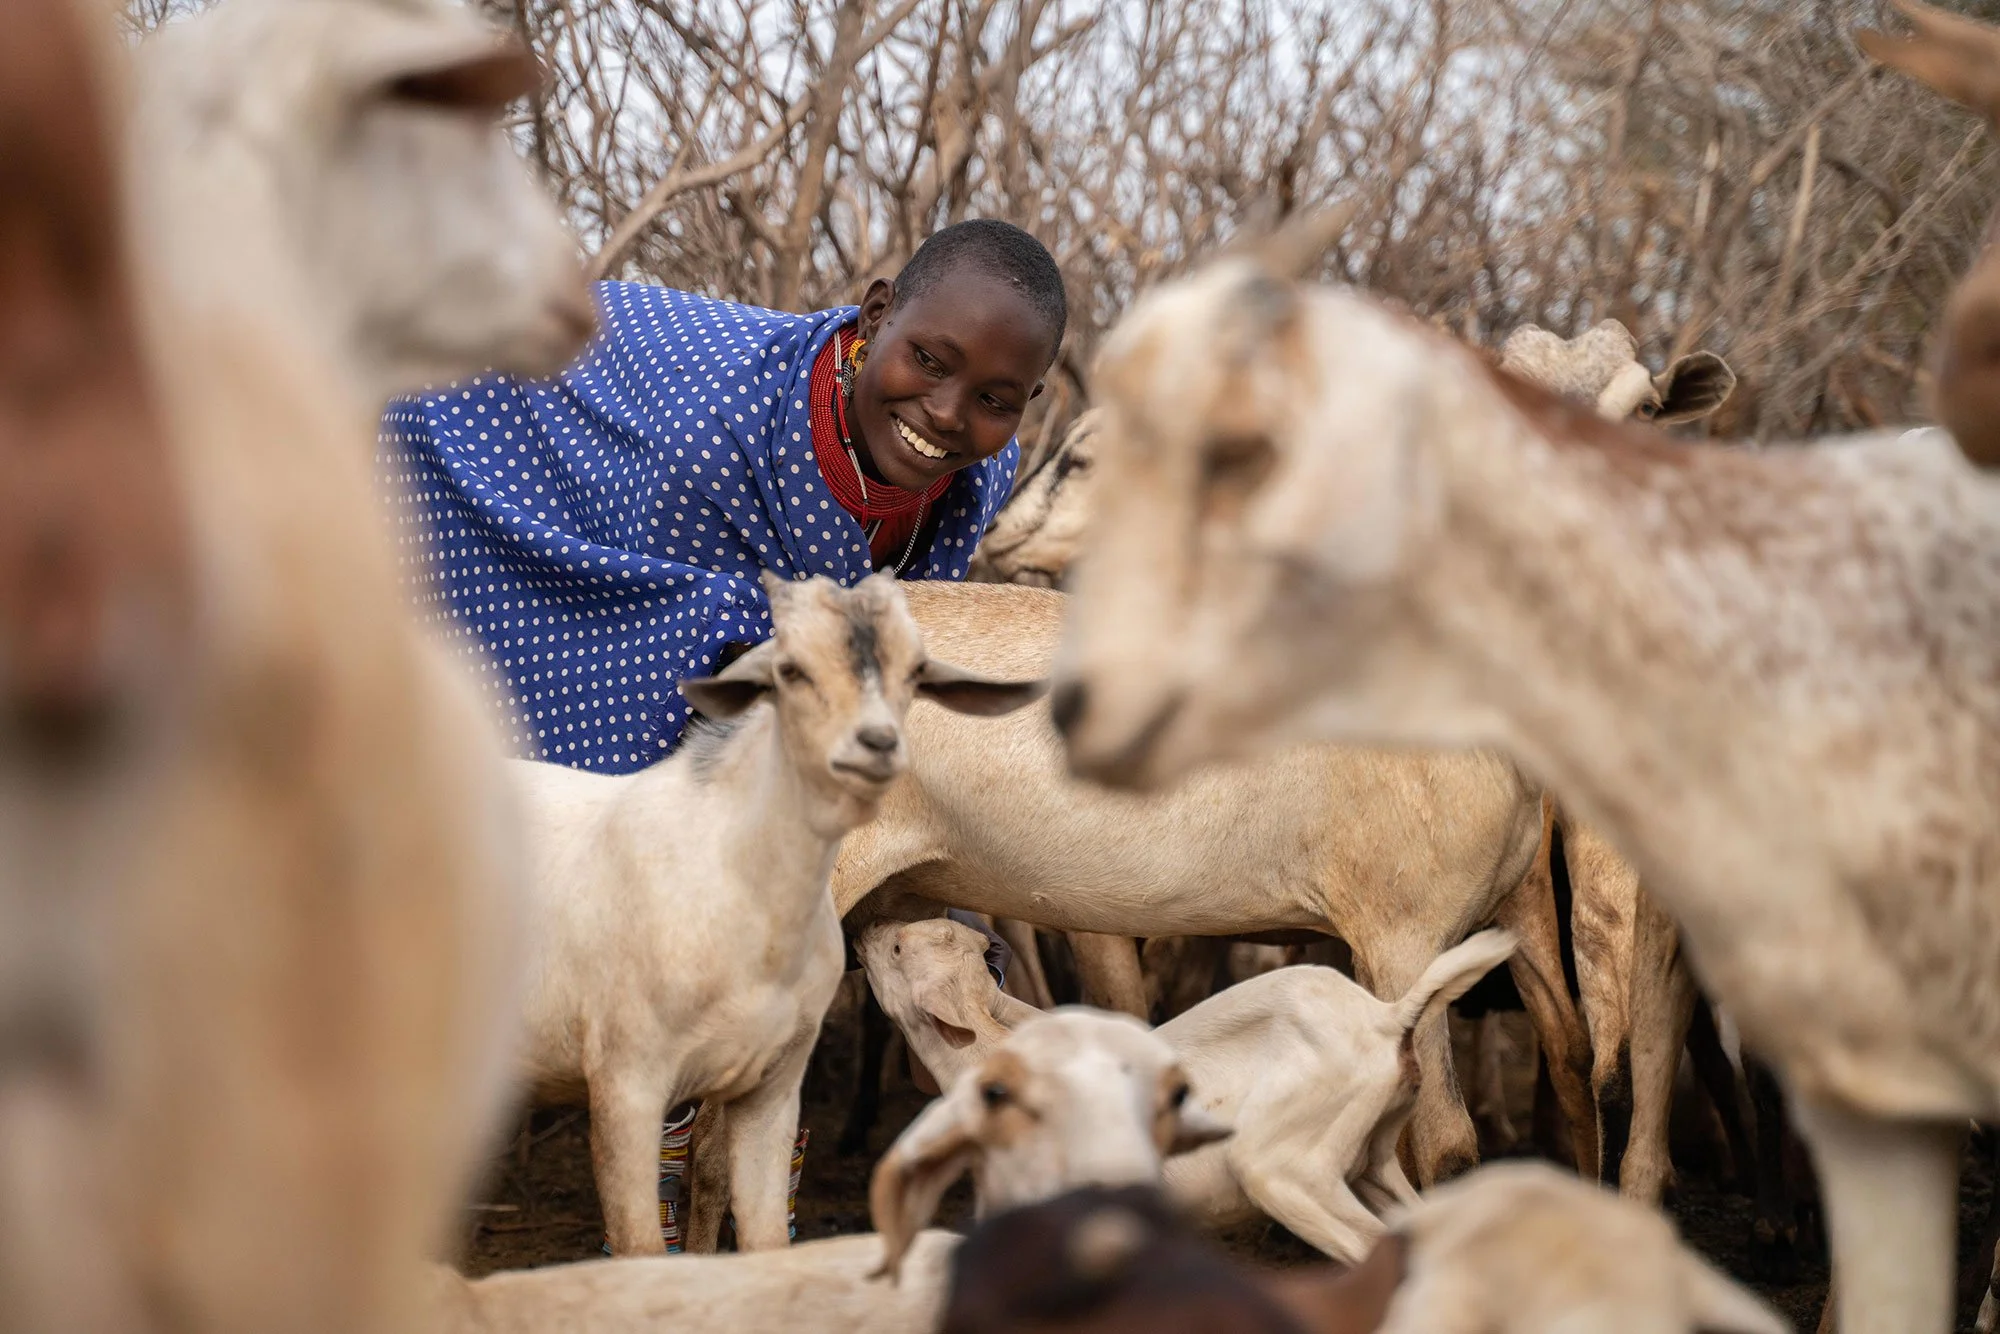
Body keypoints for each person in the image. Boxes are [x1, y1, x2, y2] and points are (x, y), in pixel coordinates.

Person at [380, 218, 1068, 770]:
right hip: (484, 403)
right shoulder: (714, 449)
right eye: (928, 360)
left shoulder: (987, 465)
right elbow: (658, 656)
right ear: (877, 315)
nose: (948, 412)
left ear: (1027, 400)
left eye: (993, 398)